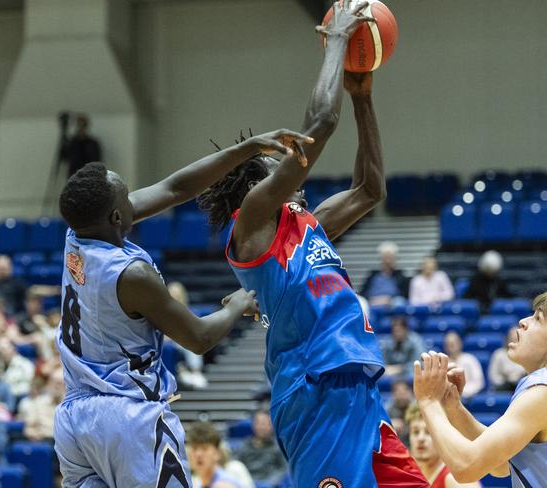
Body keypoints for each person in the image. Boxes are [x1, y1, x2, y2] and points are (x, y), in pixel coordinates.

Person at [198, 3, 427, 486]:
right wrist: (338, 42)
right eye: (277, 166)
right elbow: (319, 125)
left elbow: (371, 190)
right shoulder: (254, 222)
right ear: (255, 186)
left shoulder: (309, 223)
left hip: (356, 385)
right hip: (314, 388)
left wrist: (362, 95)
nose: (292, 170)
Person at [53, 129, 311, 484]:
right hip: (127, 418)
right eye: (126, 197)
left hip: (74, 421)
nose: (134, 200)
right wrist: (237, 305)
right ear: (115, 216)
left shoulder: (78, 235)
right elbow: (199, 337)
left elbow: (176, 188)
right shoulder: (131, 274)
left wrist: (246, 148)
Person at [413, 290, 547, 486]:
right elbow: (500, 465)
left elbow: (466, 467)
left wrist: (428, 401)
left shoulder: (545, 392)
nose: (523, 322)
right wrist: (453, 407)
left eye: (537, 318)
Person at [405, 404, 481, 487]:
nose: (420, 438)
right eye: (415, 432)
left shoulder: (454, 478)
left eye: (428, 432)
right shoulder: (409, 472)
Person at [236, 409, 286, 485]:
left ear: (272, 425)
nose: (262, 427)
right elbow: (235, 466)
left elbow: (284, 469)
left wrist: (270, 483)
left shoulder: (279, 447)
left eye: (266, 423)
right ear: (253, 425)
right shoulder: (243, 446)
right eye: (259, 423)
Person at [188, 422, 240, 488]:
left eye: (204, 448)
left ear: (217, 453)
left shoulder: (223, 485)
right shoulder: (199, 483)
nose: (198, 454)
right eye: (194, 448)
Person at [360, 242, 409, 306]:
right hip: (373, 302)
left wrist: (389, 299)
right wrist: (372, 299)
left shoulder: (400, 276)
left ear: (395, 259)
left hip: (392, 303)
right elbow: (363, 293)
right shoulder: (372, 275)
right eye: (385, 258)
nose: (388, 261)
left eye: (390, 258)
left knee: (399, 302)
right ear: (381, 259)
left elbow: (405, 295)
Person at [22, 369, 65, 442]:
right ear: (49, 384)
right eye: (54, 382)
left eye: (60, 383)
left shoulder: (72, 406)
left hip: (64, 444)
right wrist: (34, 435)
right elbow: (28, 429)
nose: (56, 387)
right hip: (43, 441)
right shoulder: (37, 402)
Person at [60, 114, 103, 179]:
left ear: (86, 126)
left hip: (89, 178)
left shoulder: (93, 143)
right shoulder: (72, 142)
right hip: (74, 177)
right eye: (79, 125)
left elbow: (97, 161)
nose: (81, 128)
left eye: (83, 125)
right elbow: (65, 158)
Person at [443, 332, 484, 399]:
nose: (450, 347)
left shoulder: (470, 359)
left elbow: (479, 382)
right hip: (449, 398)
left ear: (460, 344)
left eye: (452, 344)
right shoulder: (443, 362)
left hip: (469, 397)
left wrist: (461, 392)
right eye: (448, 345)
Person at [386, 379, 414, 445]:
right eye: (398, 392)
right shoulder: (388, 409)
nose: (401, 396)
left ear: (410, 392)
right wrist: (390, 424)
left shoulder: (416, 407)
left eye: (404, 392)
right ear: (393, 394)